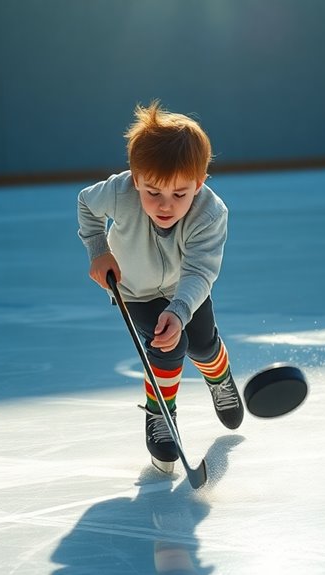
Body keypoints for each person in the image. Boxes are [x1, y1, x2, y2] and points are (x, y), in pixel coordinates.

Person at [77, 100, 244, 473]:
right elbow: (86, 204)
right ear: (135, 178)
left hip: (186, 288)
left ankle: (219, 378)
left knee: (202, 343)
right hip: (135, 290)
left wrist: (180, 309)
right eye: (152, 192)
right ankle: (161, 416)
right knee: (168, 347)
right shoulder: (119, 192)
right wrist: (99, 250)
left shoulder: (211, 212)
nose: (165, 205)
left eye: (180, 194)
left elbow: (201, 270)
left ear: (198, 184)